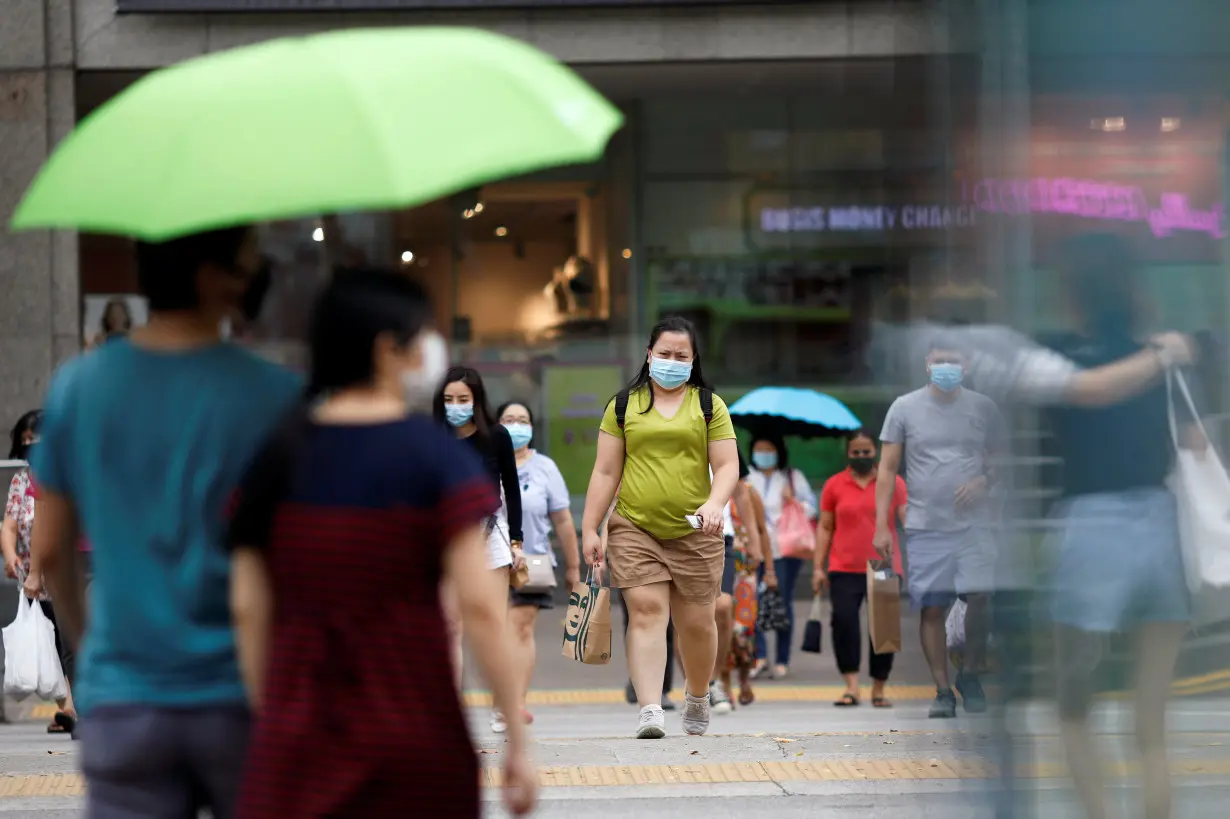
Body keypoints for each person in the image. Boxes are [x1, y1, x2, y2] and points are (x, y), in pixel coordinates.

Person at [227, 269, 535, 819]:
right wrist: (516, 737)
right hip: (416, 739)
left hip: (297, 741)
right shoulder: (435, 459)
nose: (429, 352)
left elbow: (248, 606)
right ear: (386, 349)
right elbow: (482, 611)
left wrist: (267, 720)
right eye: (420, 336)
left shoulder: (277, 455)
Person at [30, 226, 301, 818]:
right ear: (213, 276)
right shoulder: (275, 395)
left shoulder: (81, 385)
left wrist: (96, 652)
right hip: (245, 695)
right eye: (247, 260)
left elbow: (48, 549)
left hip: (126, 698)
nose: (258, 274)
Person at [1043, 234, 1197, 819]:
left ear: (1072, 294)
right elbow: (1195, 443)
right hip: (1159, 524)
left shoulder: (1058, 356)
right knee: (1150, 723)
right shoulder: (1163, 357)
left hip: (1090, 526)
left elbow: (1076, 400)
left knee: (1073, 706)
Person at [580, 315, 740, 739]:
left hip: (696, 531)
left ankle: (699, 695)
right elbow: (604, 471)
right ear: (649, 355)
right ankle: (651, 708)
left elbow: (726, 466)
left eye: (681, 355)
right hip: (635, 527)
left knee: (697, 623)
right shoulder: (622, 405)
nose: (672, 361)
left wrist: (714, 503)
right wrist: (590, 527)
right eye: (664, 353)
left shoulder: (709, 406)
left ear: (693, 359)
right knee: (647, 613)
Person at [874, 336, 1007, 718]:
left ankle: (970, 672)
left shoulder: (984, 407)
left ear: (967, 366)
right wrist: (881, 525)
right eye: (939, 360)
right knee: (932, 608)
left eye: (954, 361)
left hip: (974, 525)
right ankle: (942, 689)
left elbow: (1002, 456)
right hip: (925, 526)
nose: (946, 367)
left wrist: (985, 480)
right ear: (927, 363)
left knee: (980, 597)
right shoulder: (904, 408)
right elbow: (886, 468)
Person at [433, 366, 525, 729]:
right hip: (446, 539)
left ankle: (503, 705)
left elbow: (512, 491)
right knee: (451, 626)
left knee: (492, 624)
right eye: (449, 399)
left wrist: (517, 540)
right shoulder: (434, 437)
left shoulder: (496, 437)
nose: (456, 406)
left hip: (489, 537)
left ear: (477, 400)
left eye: (463, 399)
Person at [496, 400, 581, 732]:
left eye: (523, 420)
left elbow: (561, 519)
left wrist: (573, 568)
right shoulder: (486, 461)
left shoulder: (546, 467)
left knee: (520, 626)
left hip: (534, 560)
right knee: (497, 629)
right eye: (509, 419)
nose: (516, 425)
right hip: (490, 559)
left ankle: (514, 703)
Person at [814, 429, 907, 708]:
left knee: (884, 628)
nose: (861, 456)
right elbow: (825, 527)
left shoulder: (893, 483)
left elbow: (907, 518)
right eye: (856, 452)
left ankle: (879, 688)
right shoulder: (834, 485)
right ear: (848, 453)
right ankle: (851, 686)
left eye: (867, 451)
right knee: (844, 624)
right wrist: (818, 567)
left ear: (876, 452)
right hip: (843, 565)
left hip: (884, 563)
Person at [2, 410, 77, 734]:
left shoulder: (66, 473)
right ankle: (69, 707)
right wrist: (13, 557)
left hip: (66, 570)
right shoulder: (21, 481)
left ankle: (75, 708)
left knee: (70, 640)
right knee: (55, 640)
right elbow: (9, 525)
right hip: (36, 576)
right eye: (28, 440)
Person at [746, 434, 814, 680]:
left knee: (782, 602)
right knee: (751, 601)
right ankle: (759, 655)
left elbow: (811, 508)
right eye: (759, 449)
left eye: (769, 449)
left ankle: (782, 658)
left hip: (784, 550)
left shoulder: (792, 478)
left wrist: (792, 500)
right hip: (754, 550)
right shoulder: (746, 479)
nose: (764, 454)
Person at [710, 452, 764, 713]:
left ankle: (714, 680)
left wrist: (753, 541)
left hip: (722, 538)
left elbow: (740, 491)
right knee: (686, 619)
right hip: (679, 536)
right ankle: (696, 684)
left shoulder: (719, 430)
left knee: (723, 608)